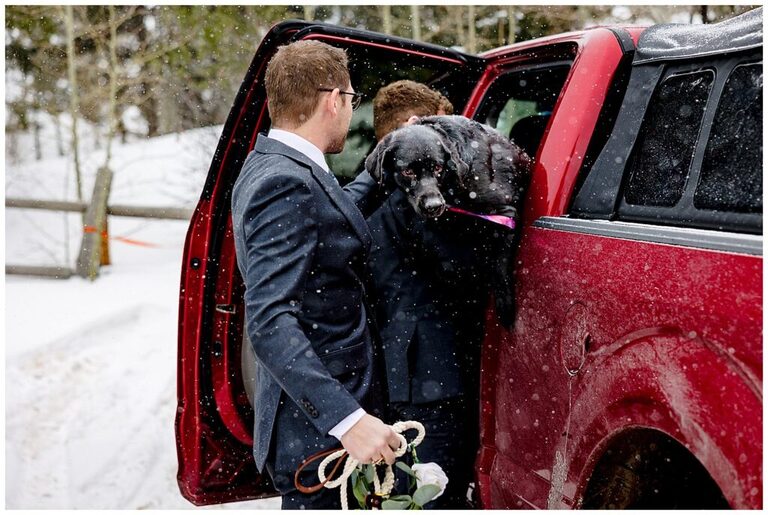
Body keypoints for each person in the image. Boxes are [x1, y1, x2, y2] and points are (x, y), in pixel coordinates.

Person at [231, 40, 400, 510]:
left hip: (318, 430)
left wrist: (383, 161)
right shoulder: (285, 182)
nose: (350, 110)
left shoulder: (273, 165)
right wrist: (348, 420)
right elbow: (269, 321)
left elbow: (328, 222)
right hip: (320, 438)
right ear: (333, 100)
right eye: (351, 98)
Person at [365, 81, 494, 508]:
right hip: (434, 381)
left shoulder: (375, 203)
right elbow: (468, 272)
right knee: (435, 493)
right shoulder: (420, 210)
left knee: (411, 490)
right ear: (413, 126)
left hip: (402, 377)